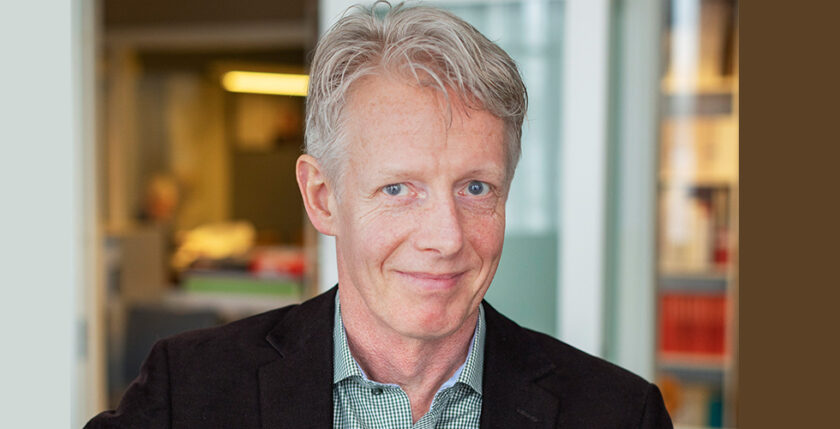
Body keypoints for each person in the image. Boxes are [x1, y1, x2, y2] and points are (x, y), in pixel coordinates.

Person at [85, 2, 672, 428]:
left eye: (475, 187)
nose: (446, 237)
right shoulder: (189, 393)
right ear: (322, 197)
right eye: (398, 189)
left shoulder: (619, 414)